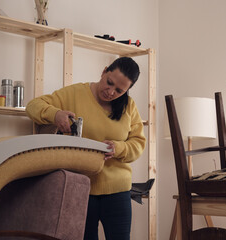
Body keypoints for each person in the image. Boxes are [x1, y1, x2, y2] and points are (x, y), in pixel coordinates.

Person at [26, 57, 146, 240]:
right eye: (109, 83)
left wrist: (119, 148)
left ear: (127, 90)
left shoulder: (129, 106)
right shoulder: (74, 93)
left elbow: (138, 143)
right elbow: (33, 106)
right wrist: (55, 114)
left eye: (119, 91)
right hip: (80, 190)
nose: (111, 92)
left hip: (118, 191)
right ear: (104, 71)